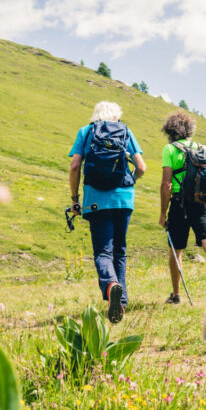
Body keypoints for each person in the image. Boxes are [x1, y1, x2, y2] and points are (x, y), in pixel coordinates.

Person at [69, 101, 145, 322]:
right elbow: (141, 167)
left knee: (103, 251)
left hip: (96, 200)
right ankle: (120, 305)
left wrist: (75, 199)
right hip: (124, 199)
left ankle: (111, 286)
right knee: (119, 251)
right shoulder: (126, 132)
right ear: (116, 116)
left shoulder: (86, 132)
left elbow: (74, 166)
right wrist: (131, 180)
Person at [158, 110, 206, 304]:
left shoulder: (170, 149)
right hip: (203, 201)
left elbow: (166, 184)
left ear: (170, 130)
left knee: (176, 249)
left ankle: (176, 295)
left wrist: (163, 213)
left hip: (180, 203)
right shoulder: (201, 147)